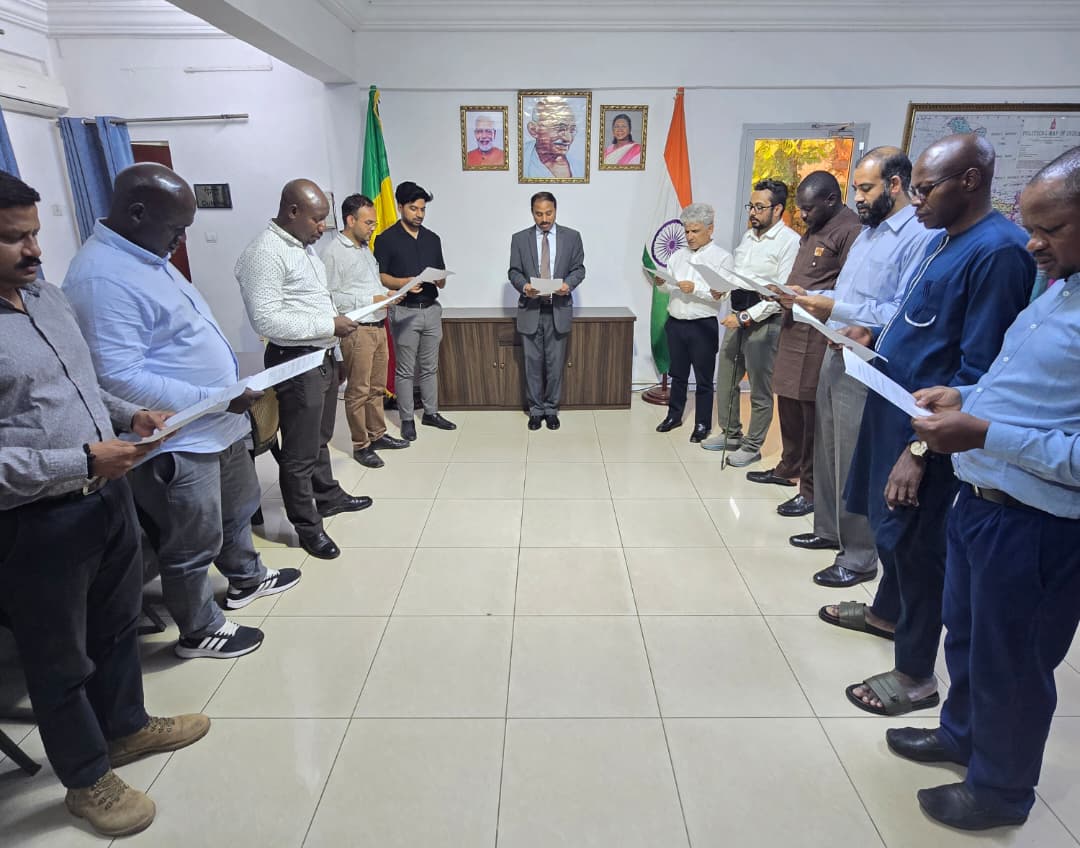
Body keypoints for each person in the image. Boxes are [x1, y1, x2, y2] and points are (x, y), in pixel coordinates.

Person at [0, 170, 209, 838]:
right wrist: (83, 460)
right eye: (12, 239)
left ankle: (125, 728)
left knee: (116, 627)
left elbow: (83, 384)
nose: (33, 250)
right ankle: (87, 780)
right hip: (37, 522)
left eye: (33, 233)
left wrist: (131, 415)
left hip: (105, 497)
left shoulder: (48, 298)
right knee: (59, 661)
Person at [888, 146, 1080, 831]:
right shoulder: (1059, 289)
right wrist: (962, 394)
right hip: (982, 504)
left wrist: (983, 436)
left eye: (1050, 229)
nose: (1032, 244)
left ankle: (1000, 791)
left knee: (1015, 664)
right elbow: (1024, 389)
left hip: (1036, 527)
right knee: (966, 638)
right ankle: (961, 735)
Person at [65, 163, 302, 659]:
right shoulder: (99, 277)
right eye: (176, 229)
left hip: (218, 421)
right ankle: (199, 628)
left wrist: (224, 396)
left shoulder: (148, 254)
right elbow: (116, 376)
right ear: (136, 212)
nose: (180, 240)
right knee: (191, 539)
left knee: (236, 511)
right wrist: (212, 398)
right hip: (178, 434)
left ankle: (246, 577)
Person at [834, 134, 1034, 718]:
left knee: (917, 545)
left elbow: (978, 371)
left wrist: (919, 449)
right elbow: (918, 319)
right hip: (892, 400)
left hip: (926, 430)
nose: (913, 201)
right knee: (885, 525)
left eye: (925, 189)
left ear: (970, 181)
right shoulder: (945, 240)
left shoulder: (999, 252)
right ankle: (886, 613)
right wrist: (877, 336)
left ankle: (915, 673)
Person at [787, 148, 939, 587]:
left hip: (871, 359)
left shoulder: (917, 235)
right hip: (837, 348)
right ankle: (829, 529)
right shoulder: (868, 233)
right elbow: (854, 290)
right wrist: (813, 296)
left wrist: (835, 304)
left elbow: (903, 307)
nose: (859, 198)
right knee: (828, 444)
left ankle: (857, 556)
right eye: (856, 189)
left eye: (866, 188)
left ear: (896, 185)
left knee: (856, 454)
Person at [236, 179, 372, 561]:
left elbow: (317, 304)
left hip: (322, 357)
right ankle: (308, 526)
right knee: (298, 452)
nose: (321, 228)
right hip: (294, 363)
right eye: (316, 220)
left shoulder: (303, 248)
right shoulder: (264, 253)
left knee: (319, 438)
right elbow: (267, 320)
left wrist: (337, 353)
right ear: (292, 212)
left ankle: (327, 496)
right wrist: (330, 328)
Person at [748, 172, 860, 517]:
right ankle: (788, 467)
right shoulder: (816, 225)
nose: (804, 216)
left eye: (809, 209)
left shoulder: (849, 230)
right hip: (794, 325)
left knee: (811, 412)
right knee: (789, 403)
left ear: (830, 200)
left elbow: (849, 290)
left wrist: (808, 297)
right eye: (801, 209)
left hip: (817, 332)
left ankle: (810, 490)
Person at [701, 178, 799, 466]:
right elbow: (739, 276)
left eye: (760, 207)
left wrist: (746, 317)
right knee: (727, 378)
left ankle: (753, 445)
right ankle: (731, 433)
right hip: (737, 316)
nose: (753, 212)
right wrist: (724, 287)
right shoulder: (748, 238)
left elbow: (780, 293)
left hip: (764, 322)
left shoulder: (789, 242)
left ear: (778, 209)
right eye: (751, 206)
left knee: (759, 387)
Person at [321, 193, 410, 467]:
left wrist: (390, 293)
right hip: (356, 329)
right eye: (368, 222)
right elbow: (332, 296)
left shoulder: (364, 249)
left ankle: (378, 433)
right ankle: (361, 445)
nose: (373, 228)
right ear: (350, 220)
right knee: (358, 390)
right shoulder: (334, 253)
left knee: (376, 387)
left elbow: (369, 287)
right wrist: (371, 300)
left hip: (378, 324)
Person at [374, 180, 456, 441]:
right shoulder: (386, 239)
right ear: (400, 207)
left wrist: (440, 279)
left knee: (430, 367)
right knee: (406, 369)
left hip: (431, 309)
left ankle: (431, 413)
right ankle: (407, 418)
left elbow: (441, 274)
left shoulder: (433, 239)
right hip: (405, 311)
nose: (419, 214)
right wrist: (405, 283)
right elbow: (381, 276)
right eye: (413, 209)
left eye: (422, 209)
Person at [653, 203, 734, 442]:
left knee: (704, 379)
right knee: (677, 374)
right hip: (676, 323)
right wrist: (661, 282)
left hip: (702, 325)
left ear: (710, 229)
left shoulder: (722, 257)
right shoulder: (677, 256)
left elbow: (724, 292)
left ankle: (702, 424)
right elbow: (669, 287)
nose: (689, 236)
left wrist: (696, 289)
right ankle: (674, 415)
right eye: (687, 231)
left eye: (695, 231)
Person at [507, 191, 586, 430]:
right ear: (532, 213)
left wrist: (567, 285)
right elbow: (513, 272)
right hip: (531, 309)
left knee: (555, 364)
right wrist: (524, 286)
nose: (544, 218)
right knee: (531, 364)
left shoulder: (572, 237)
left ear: (555, 210)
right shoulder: (519, 239)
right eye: (539, 214)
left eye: (548, 213)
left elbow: (579, 269)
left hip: (558, 309)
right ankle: (535, 411)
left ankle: (551, 409)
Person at [522, 98, 586, 180]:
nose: (568, 139)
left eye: (572, 130)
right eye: (560, 129)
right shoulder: (521, 158)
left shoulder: (579, 167)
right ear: (533, 130)